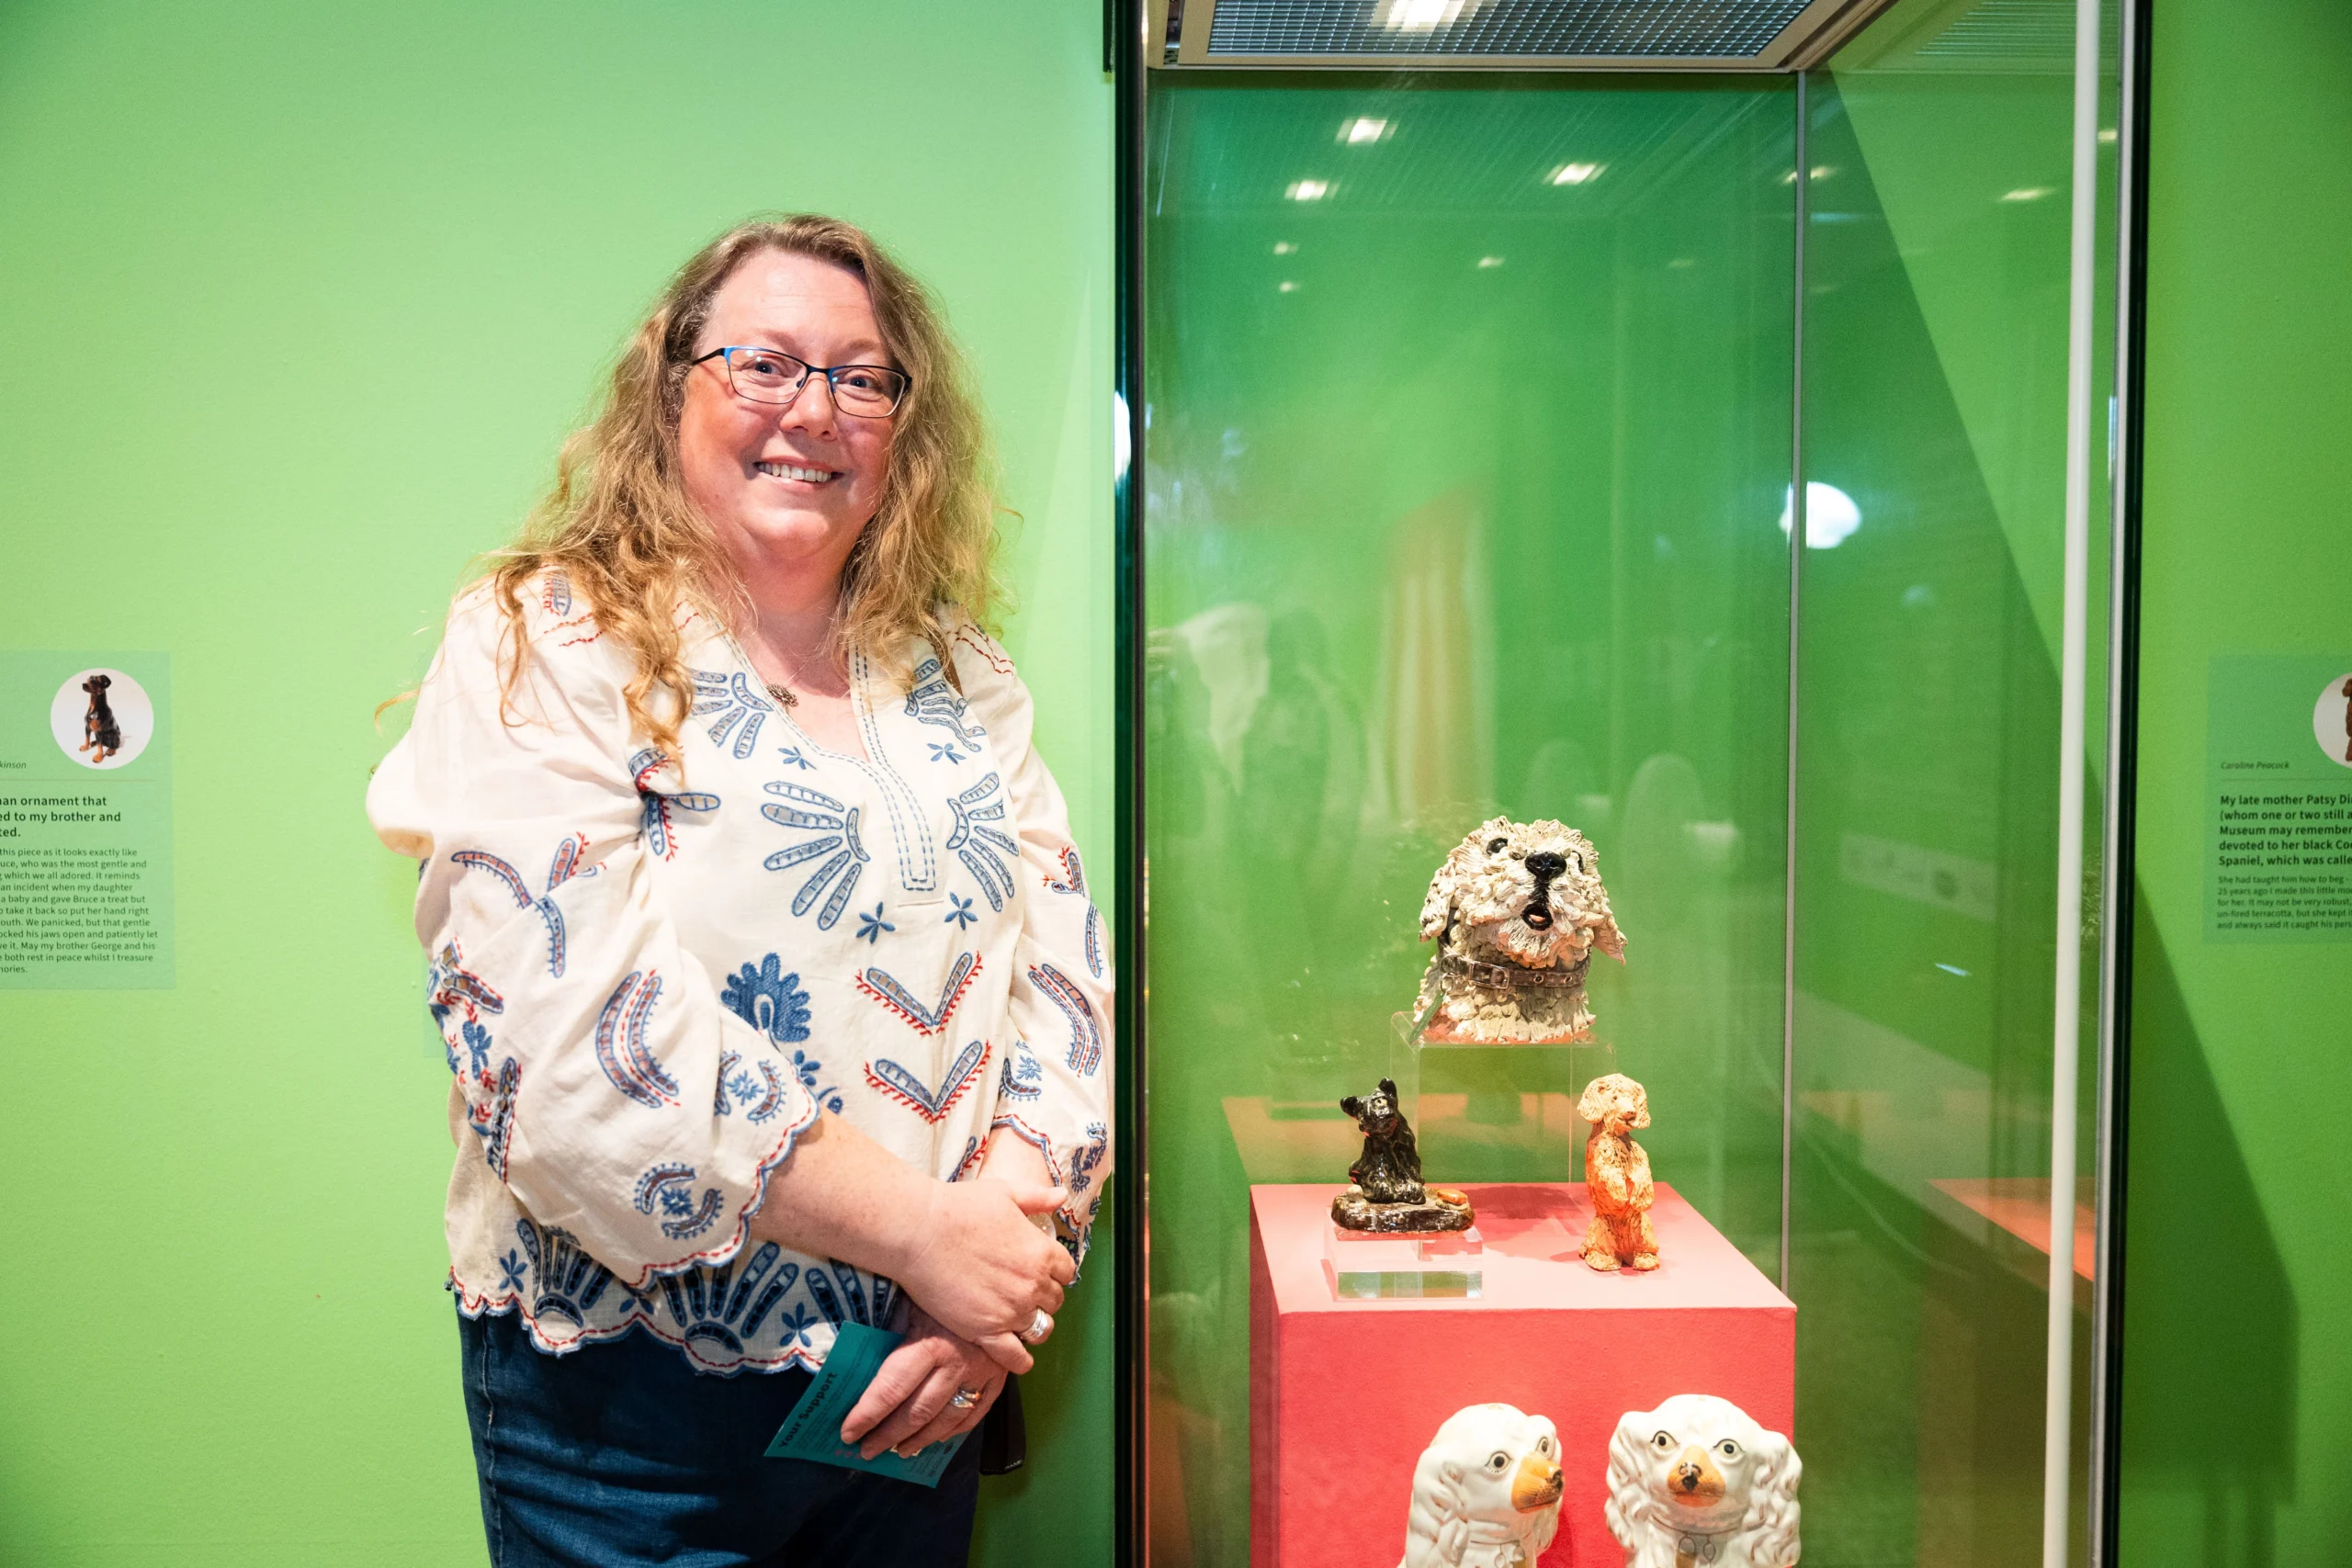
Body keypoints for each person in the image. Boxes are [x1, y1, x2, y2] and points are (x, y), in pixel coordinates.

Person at [367, 214, 1113, 1566]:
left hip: (919, 1375)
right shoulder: (543, 637)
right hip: (628, 1421)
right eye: (763, 363)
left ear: (904, 426)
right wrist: (932, 1235)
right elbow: (560, 1053)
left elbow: (1062, 973)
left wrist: (990, 1280)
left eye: (861, 376)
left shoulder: (961, 674)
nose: (813, 411)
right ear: (670, 392)